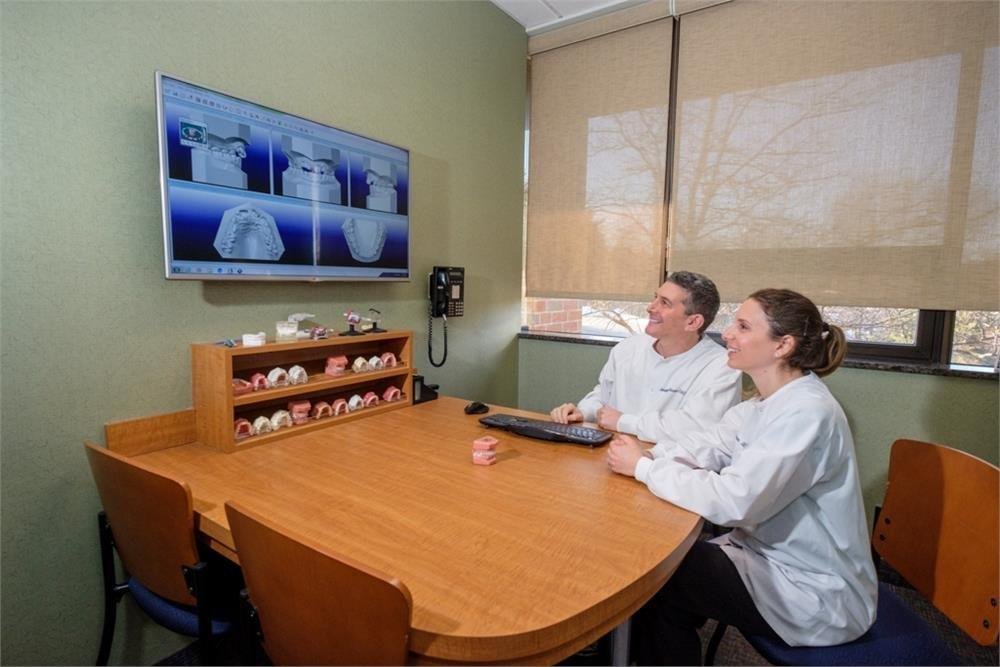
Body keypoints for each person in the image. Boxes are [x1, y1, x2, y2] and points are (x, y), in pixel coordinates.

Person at [607, 288, 877, 665]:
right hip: (765, 555)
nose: (727, 335)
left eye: (743, 326)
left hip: (811, 588)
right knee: (658, 571)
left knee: (654, 576)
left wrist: (645, 468)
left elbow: (735, 501)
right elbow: (710, 444)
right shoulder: (764, 402)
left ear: (782, 345)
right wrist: (652, 454)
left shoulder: (807, 412)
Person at [549, 271, 742, 443]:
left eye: (664, 303)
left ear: (693, 322)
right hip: (613, 453)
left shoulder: (722, 366)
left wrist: (623, 421)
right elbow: (603, 395)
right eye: (655, 298)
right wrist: (584, 412)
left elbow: (695, 429)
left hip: (672, 469)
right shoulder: (628, 348)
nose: (650, 307)